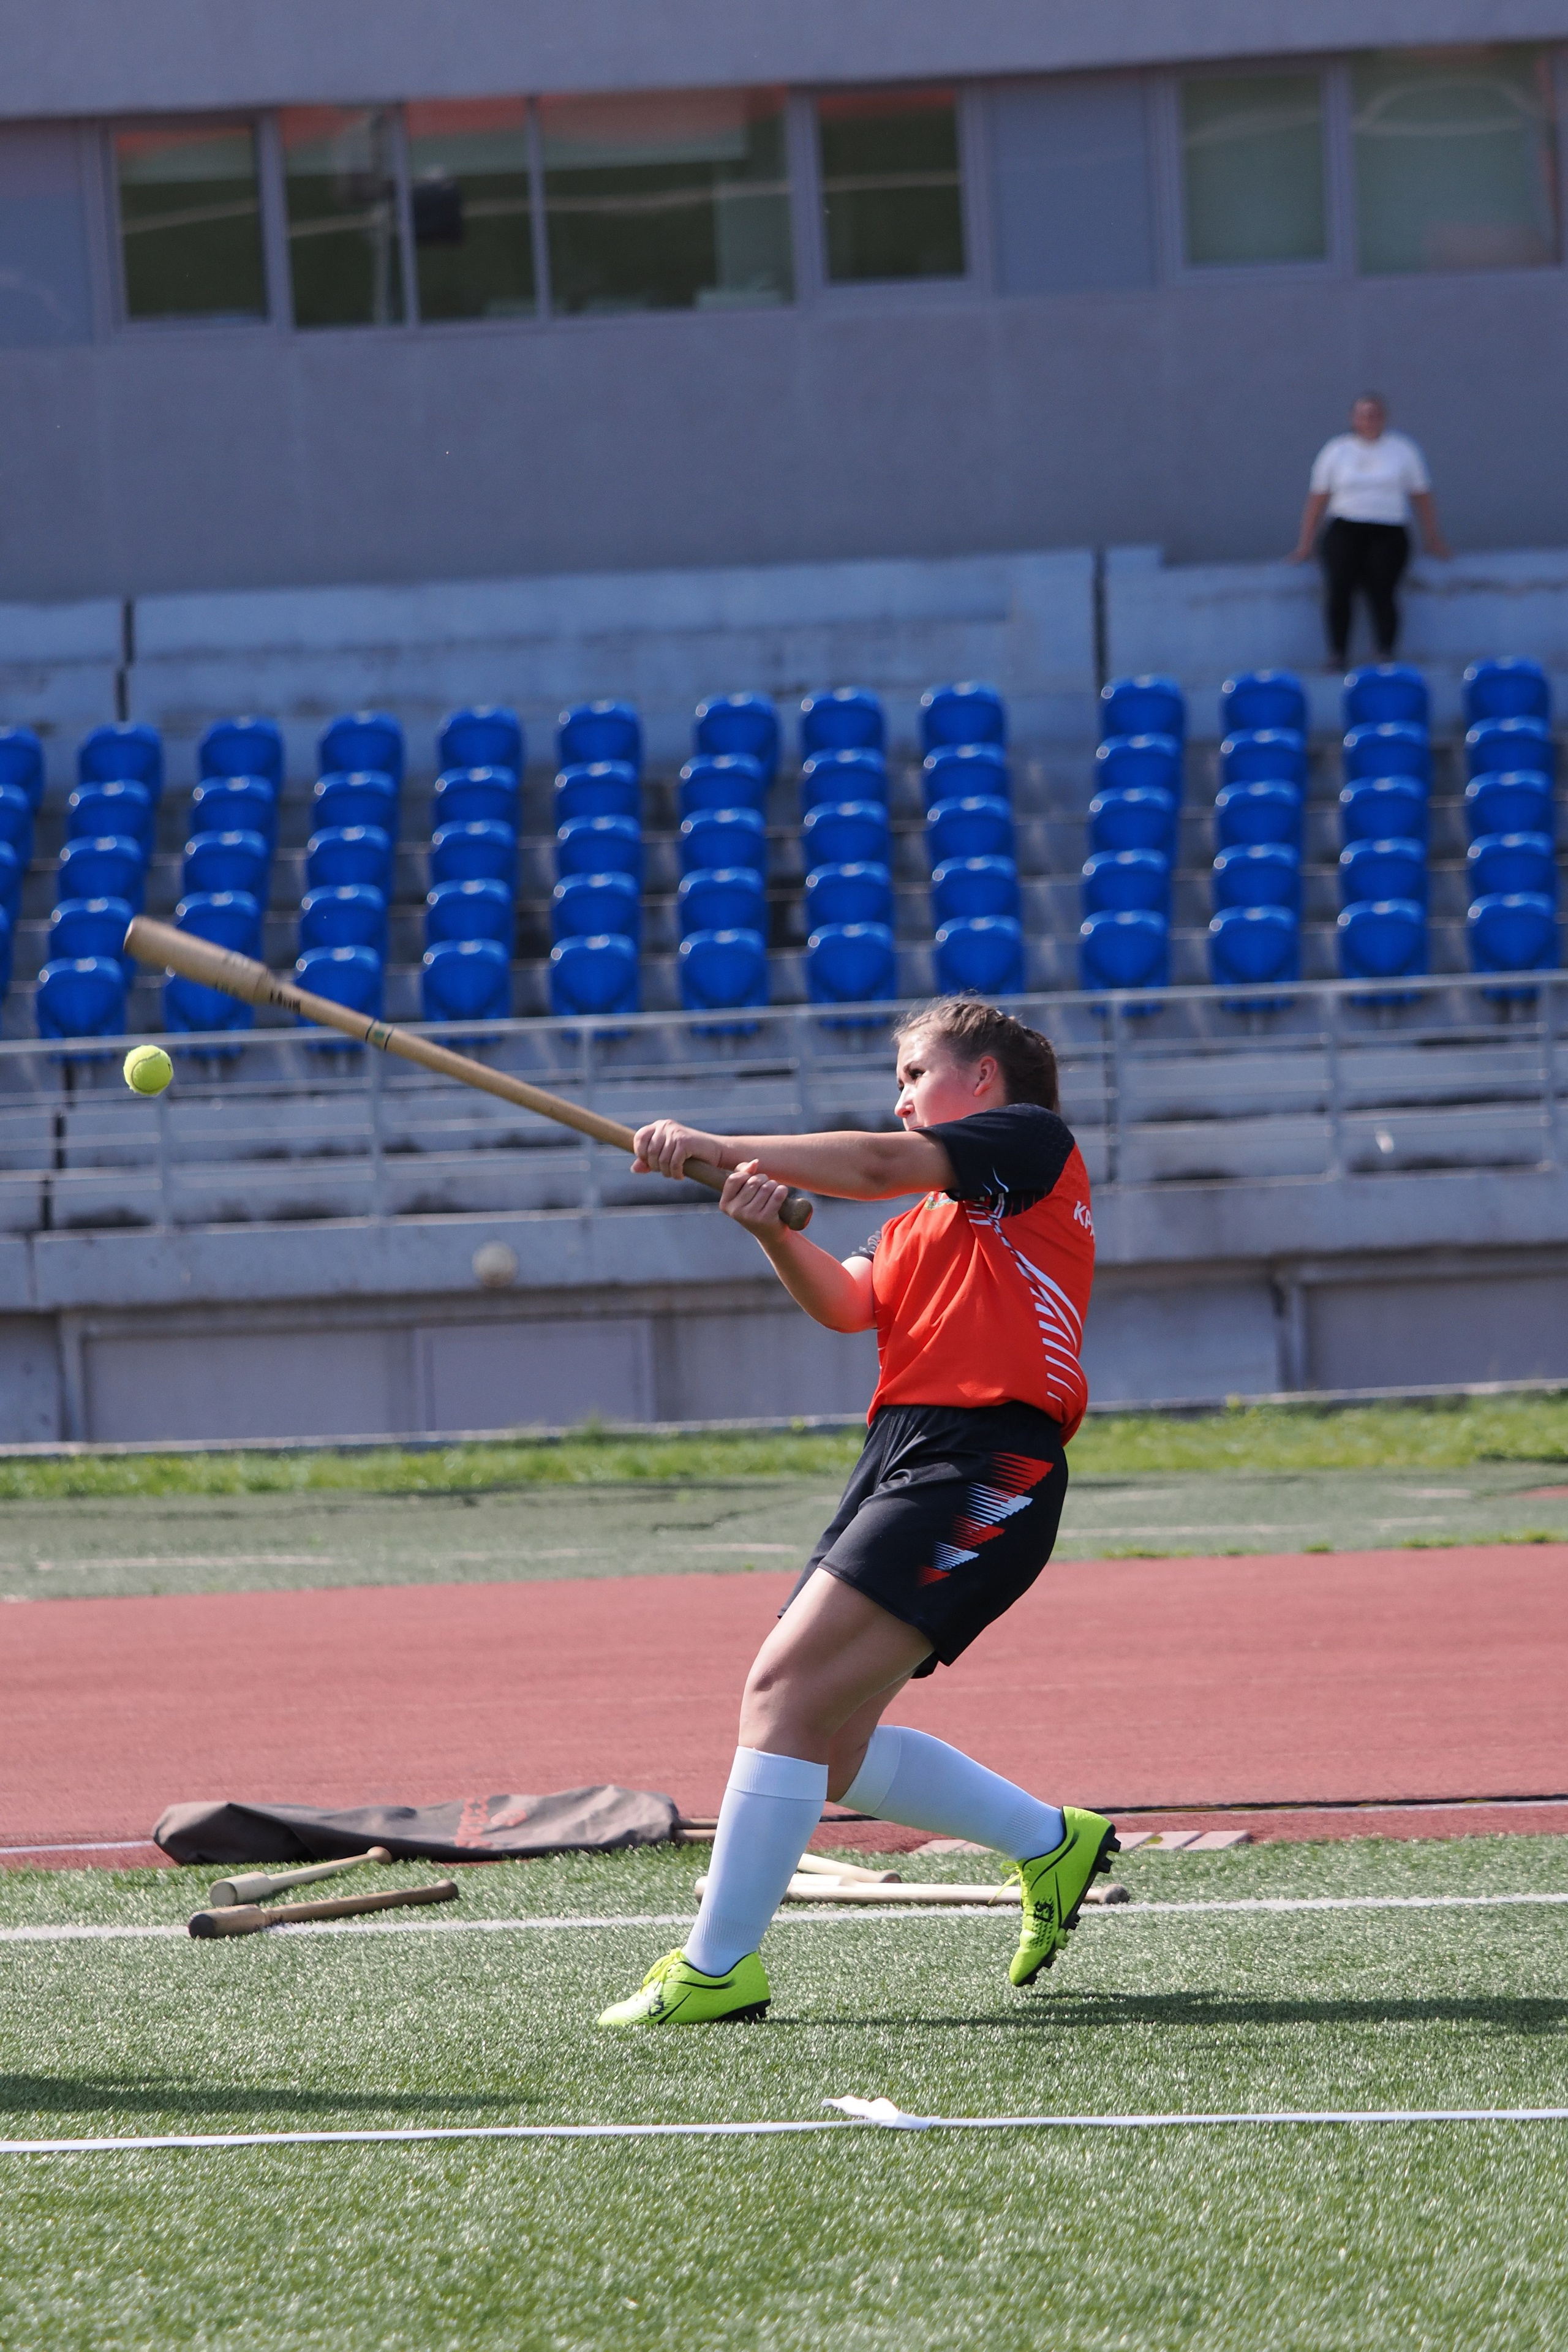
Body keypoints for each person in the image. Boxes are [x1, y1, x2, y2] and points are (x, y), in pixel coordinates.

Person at [597, 995, 1117, 2029]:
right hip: (902, 1453)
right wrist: (767, 1229)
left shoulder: (1032, 1148)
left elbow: (878, 1161)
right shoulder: (920, 1220)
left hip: (987, 1457)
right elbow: (848, 1304)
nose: (901, 1095)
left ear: (983, 1082)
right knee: (824, 1742)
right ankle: (1051, 1843)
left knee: (782, 1690)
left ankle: (717, 1968)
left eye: (917, 1074)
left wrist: (716, 1142)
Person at [1291, 393, 1450, 667]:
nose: (1369, 420)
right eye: (1363, 415)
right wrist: (1305, 543)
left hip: (1388, 529)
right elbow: (1318, 498)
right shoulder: (1337, 451)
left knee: (1383, 591)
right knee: (1340, 589)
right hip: (1346, 527)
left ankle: (1385, 652)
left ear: (1384, 418)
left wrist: (1433, 538)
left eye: (1375, 414)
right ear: (1354, 419)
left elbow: (1422, 496)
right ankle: (1338, 654)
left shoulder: (1402, 450)